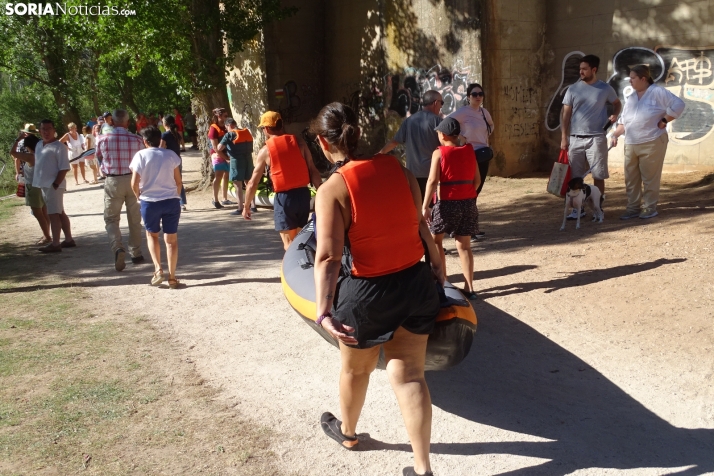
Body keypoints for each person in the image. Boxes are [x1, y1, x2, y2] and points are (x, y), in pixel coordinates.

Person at [311, 103, 443, 476]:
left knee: (356, 371)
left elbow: (328, 257)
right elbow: (420, 224)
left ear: (324, 142)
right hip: (415, 283)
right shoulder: (400, 172)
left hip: (366, 295)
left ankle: (349, 433)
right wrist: (435, 264)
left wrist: (323, 310)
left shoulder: (331, 189)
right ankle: (422, 469)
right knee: (411, 375)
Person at [610, 64, 685, 220]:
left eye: (632, 78)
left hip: (652, 141)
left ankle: (650, 207)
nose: (630, 81)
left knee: (650, 177)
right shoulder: (631, 98)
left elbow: (679, 104)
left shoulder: (657, 92)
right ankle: (632, 208)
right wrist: (615, 135)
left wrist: (665, 120)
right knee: (631, 178)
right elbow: (624, 122)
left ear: (643, 78)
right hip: (631, 143)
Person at [242, 111, 322, 250]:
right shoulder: (299, 143)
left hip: (285, 199)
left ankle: (291, 270)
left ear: (266, 129)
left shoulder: (266, 151)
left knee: (289, 245)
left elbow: (253, 182)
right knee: (299, 240)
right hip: (303, 195)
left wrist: (246, 206)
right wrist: (322, 192)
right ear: (281, 125)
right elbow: (313, 170)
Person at [422, 117, 479, 299]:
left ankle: (442, 282)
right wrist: (467, 193)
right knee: (464, 247)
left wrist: (425, 206)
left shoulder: (439, 153)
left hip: (447, 203)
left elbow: (432, 181)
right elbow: (476, 180)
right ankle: (469, 288)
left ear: (444, 135)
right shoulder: (470, 150)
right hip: (468, 203)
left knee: (435, 241)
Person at [561, 54, 622, 218]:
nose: (581, 72)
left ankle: (597, 209)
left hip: (596, 138)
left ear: (593, 70)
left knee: (598, 175)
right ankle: (577, 209)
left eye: (584, 69)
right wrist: (564, 137)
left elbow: (617, 104)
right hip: (575, 139)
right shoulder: (572, 89)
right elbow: (566, 114)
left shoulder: (605, 88)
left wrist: (615, 115)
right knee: (576, 177)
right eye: (580, 69)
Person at [130, 126, 182, 289]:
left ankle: (158, 269)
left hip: (149, 201)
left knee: (152, 236)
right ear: (161, 140)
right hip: (171, 200)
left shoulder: (140, 155)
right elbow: (178, 180)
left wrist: (138, 196)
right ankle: (172, 277)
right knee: (171, 240)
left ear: (144, 141)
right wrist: (177, 195)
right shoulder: (171, 155)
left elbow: (134, 182)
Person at [95, 109, 146, 271]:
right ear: (128, 122)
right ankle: (136, 252)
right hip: (133, 180)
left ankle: (117, 246)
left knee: (111, 218)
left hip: (113, 181)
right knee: (134, 219)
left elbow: (99, 157)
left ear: (112, 122)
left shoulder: (102, 139)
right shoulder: (137, 139)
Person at [448, 83, 494, 241]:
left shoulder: (483, 112)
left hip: (483, 153)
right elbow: (447, 124)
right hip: (469, 153)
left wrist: (484, 138)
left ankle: (471, 227)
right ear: (468, 97)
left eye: (480, 94)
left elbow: (491, 125)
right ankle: (466, 229)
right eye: (474, 94)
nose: (478, 97)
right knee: (470, 190)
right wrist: (461, 137)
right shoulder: (463, 112)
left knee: (477, 189)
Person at [378, 90, 443, 201]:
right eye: (442, 103)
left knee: (417, 207)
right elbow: (446, 146)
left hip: (413, 175)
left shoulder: (409, 121)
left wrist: (380, 153)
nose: (441, 107)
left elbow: (394, 141)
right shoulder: (438, 121)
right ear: (436, 103)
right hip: (432, 174)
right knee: (432, 209)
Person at [31, 119, 75, 252]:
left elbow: (64, 168)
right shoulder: (39, 144)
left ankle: (55, 244)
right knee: (59, 212)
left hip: (53, 185)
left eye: (49, 129)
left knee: (53, 214)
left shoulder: (59, 147)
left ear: (54, 130)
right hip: (44, 185)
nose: (46, 131)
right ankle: (68, 239)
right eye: (43, 129)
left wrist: (56, 183)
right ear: (39, 131)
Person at [10, 129, 51, 245]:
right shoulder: (42, 154)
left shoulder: (30, 156)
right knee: (44, 212)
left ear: (28, 146)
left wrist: (18, 139)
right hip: (42, 185)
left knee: (38, 214)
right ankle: (46, 235)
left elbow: (12, 152)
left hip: (33, 187)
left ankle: (47, 236)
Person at [216, 117, 256, 214]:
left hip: (236, 160)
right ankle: (253, 206)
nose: (226, 129)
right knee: (249, 183)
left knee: (237, 184)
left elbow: (219, 148)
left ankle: (240, 208)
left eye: (226, 127)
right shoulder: (246, 132)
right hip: (248, 159)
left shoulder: (229, 134)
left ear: (228, 125)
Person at [160, 115, 188, 210]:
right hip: (177, 159)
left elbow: (161, 148)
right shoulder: (176, 134)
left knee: (168, 181)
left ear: (165, 124)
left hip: (168, 161)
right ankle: (182, 202)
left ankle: (171, 201)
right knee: (178, 180)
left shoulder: (165, 135)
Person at [208, 107, 233, 208]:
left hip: (227, 154)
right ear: (219, 116)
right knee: (218, 176)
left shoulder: (227, 127)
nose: (227, 118)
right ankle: (215, 199)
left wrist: (228, 157)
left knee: (226, 176)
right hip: (217, 155)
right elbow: (215, 147)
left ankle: (224, 198)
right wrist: (226, 158)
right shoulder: (213, 128)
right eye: (225, 116)